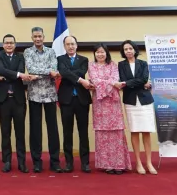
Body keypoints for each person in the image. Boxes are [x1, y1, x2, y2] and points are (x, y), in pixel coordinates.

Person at [23, 27, 62, 173]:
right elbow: (31, 68)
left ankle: (55, 162)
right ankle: (37, 162)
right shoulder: (28, 52)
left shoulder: (51, 51)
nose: (37, 39)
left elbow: (54, 68)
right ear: (32, 38)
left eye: (39, 36)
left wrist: (43, 73)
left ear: (43, 37)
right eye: (35, 36)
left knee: (53, 129)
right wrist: (48, 72)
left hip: (50, 94)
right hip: (34, 95)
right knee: (35, 129)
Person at [88, 43, 131, 174]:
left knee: (117, 132)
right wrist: (111, 84)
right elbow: (95, 80)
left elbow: (115, 78)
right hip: (100, 103)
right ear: (94, 54)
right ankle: (107, 164)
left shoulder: (113, 65)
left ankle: (119, 164)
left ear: (106, 53)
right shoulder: (91, 65)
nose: (100, 54)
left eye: (102, 52)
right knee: (102, 132)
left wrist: (106, 84)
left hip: (113, 102)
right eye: (97, 52)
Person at [0, 34, 33, 173]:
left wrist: (13, 74)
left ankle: (22, 162)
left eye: (11, 43)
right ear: (3, 44)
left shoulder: (20, 56)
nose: (9, 45)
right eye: (6, 43)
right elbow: (1, 70)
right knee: (5, 132)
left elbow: (21, 71)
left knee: (20, 132)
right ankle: (7, 161)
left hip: (18, 99)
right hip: (3, 99)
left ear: (15, 45)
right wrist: (18, 75)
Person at [118, 39, 157, 175]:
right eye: (125, 49)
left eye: (130, 48)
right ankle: (139, 163)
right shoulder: (121, 65)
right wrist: (138, 83)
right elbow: (123, 80)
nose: (128, 51)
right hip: (130, 101)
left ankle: (149, 163)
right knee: (134, 131)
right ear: (123, 52)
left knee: (146, 132)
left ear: (135, 50)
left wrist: (129, 83)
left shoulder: (143, 63)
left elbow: (144, 78)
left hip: (145, 100)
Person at [57, 35, 92, 173]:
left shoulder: (84, 59)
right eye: (68, 44)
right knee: (67, 132)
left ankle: (85, 163)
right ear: (64, 46)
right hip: (66, 100)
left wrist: (68, 74)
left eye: (73, 44)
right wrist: (78, 78)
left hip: (82, 99)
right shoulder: (60, 59)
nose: (70, 46)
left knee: (83, 132)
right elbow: (63, 72)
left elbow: (80, 72)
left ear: (76, 45)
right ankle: (69, 163)